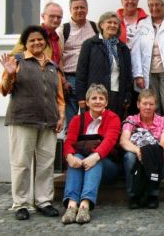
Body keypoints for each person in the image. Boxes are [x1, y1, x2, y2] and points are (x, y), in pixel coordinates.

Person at [0, 25, 65, 220]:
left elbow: (59, 97)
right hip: (23, 119)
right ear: (25, 44)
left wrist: (61, 116)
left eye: (40, 40)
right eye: (32, 40)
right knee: (21, 163)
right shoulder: (16, 61)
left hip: (49, 122)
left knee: (46, 164)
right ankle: (21, 203)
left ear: (45, 42)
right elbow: (3, 90)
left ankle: (43, 201)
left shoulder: (53, 66)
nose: (36, 43)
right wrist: (10, 74)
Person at [61, 84, 121, 224]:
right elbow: (69, 141)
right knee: (77, 158)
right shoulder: (77, 120)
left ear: (106, 102)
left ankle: (85, 205)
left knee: (95, 160)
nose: (98, 101)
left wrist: (95, 156)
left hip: (108, 166)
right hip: (82, 162)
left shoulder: (113, 118)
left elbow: (109, 141)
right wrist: (69, 157)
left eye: (101, 98)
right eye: (94, 98)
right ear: (87, 102)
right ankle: (71, 205)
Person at [76, 11, 132, 120]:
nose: (112, 25)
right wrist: (81, 97)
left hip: (117, 95)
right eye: (109, 22)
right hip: (95, 95)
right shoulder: (90, 44)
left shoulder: (122, 48)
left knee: (113, 124)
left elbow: (128, 75)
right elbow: (81, 72)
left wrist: (128, 96)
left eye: (115, 23)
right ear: (101, 25)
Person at [121, 89, 164, 209]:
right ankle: (133, 195)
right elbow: (123, 141)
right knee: (129, 157)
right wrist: (138, 150)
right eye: (144, 104)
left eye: (151, 104)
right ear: (138, 104)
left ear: (156, 105)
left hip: (157, 163)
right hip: (137, 160)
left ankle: (153, 195)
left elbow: (163, 143)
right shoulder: (131, 120)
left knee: (155, 155)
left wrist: (146, 153)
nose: (148, 107)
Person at [57, 0, 98, 129]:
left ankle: (88, 147)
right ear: (70, 10)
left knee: (91, 121)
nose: (79, 10)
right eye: (76, 8)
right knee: (72, 122)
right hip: (71, 79)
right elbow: (57, 56)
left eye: (82, 7)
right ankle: (69, 148)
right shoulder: (63, 29)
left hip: (91, 79)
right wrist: (63, 79)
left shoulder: (95, 27)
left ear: (87, 9)